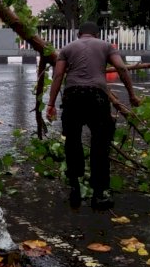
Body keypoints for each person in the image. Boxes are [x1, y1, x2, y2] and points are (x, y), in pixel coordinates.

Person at [45, 22, 141, 210]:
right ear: (96, 34)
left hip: (73, 96)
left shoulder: (66, 48)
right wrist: (131, 95)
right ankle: (99, 194)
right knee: (100, 143)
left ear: (79, 34)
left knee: (72, 141)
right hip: (97, 96)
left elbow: (58, 76)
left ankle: (75, 187)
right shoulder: (106, 46)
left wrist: (50, 104)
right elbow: (121, 68)